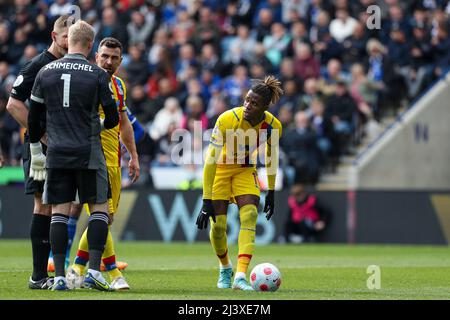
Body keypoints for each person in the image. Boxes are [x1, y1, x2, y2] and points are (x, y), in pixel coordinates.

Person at [27, 20, 119, 291]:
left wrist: (36, 153)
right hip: (88, 151)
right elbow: (112, 119)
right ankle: (93, 272)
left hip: (56, 152)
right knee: (99, 208)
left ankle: (57, 277)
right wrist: (94, 124)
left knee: (59, 212)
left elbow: (33, 120)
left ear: (69, 41)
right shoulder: (97, 74)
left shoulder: (45, 72)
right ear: (91, 45)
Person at [65, 37, 140, 291]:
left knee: (104, 220)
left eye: (114, 58)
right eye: (104, 56)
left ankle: (78, 267)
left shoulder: (118, 85)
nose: (109, 62)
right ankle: (111, 272)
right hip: (89, 161)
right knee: (102, 215)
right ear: (95, 56)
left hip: (113, 163)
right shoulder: (82, 82)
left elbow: (124, 123)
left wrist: (134, 156)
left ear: (120, 60)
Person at [196, 76, 283, 291]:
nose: (247, 106)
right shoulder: (226, 119)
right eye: (246, 100)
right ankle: (225, 267)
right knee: (219, 227)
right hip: (221, 170)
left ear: (264, 106)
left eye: (254, 103)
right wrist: (206, 199)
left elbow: (271, 158)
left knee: (250, 214)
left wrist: (271, 190)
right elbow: (210, 161)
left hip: (245, 170)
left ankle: (241, 276)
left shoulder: (273, 126)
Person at [6, 14, 70, 290]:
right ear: (54, 37)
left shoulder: (72, 66)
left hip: (64, 146)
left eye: (74, 37)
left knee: (62, 206)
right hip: (40, 150)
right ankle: (38, 275)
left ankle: (59, 272)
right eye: (65, 36)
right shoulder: (38, 65)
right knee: (43, 205)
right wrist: (41, 134)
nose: (70, 41)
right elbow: (13, 104)